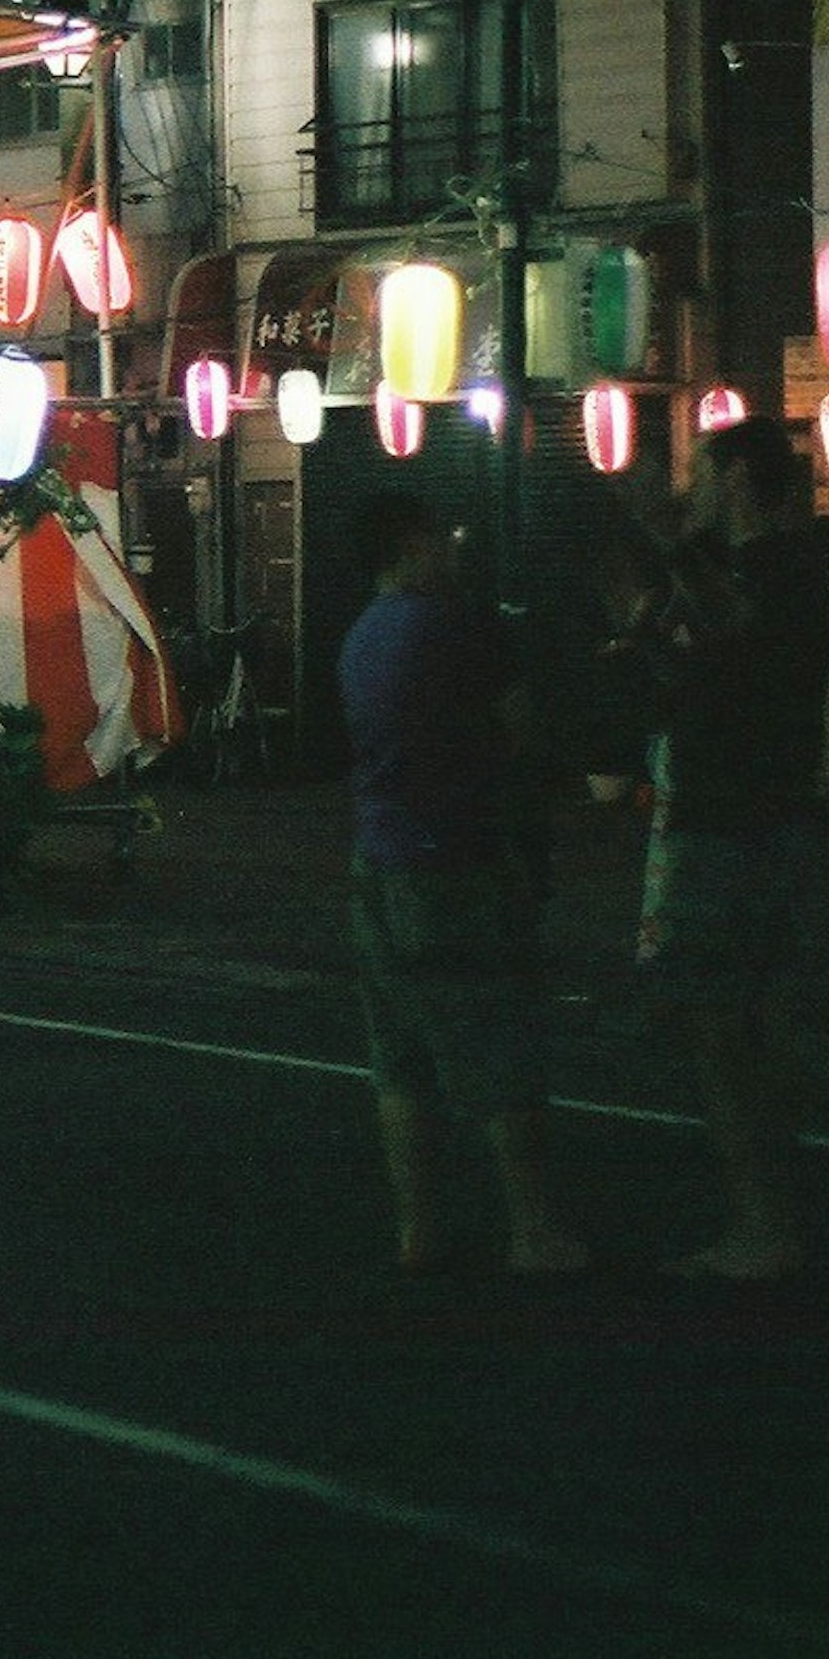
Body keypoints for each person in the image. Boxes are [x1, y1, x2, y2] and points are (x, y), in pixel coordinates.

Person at [335, 496, 588, 1277]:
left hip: (379, 856)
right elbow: (526, 733)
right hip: (458, 861)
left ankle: (419, 1229)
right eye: (442, 536)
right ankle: (534, 1231)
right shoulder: (457, 626)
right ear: (411, 542)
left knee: (401, 1057)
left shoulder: (360, 638)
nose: (454, 548)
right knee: (498, 1043)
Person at [636, 418, 829, 1282]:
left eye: (704, 475)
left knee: (724, 1023)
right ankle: (772, 1210)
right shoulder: (755, 571)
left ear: (741, 480)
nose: (694, 490)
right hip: (751, 815)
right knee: (751, 1018)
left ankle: (765, 1222)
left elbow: (733, 634)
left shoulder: (778, 566)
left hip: (736, 822)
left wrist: (672, 544)